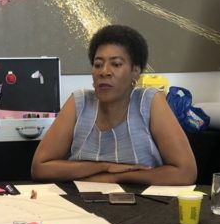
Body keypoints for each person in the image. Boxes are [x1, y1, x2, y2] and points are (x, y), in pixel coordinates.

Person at [31, 24, 197, 185]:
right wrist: (105, 167)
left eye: (116, 64)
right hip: (81, 204)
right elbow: (40, 168)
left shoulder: (149, 101)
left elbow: (186, 172)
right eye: (98, 64)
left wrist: (115, 178)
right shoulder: (80, 102)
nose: (104, 72)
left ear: (135, 72)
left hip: (145, 205)